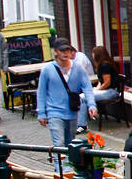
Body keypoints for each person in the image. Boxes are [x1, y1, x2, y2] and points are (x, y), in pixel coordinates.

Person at [36, 38, 96, 171]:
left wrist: (92, 105)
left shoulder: (78, 68)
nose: (65, 53)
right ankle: (62, 172)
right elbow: (41, 92)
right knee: (59, 143)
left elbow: (87, 87)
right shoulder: (48, 69)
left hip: (72, 111)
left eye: (68, 50)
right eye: (62, 50)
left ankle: (68, 169)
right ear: (55, 52)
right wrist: (41, 112)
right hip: (54, 112)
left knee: (71, 143)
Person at [69, 46, 94, 134]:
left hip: (89, 82)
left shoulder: (81, 57)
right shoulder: (72, 59)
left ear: (72, 52)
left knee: (78, 96)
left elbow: (78, 72)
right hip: (80, 83)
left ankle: (81, 124)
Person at [90, 46, 121, 115]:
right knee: (84, 96)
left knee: (83, 98)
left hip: (111, 91)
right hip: (108, 90)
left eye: (93, 53)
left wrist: (97, 90)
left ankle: (81, 123)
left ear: (97, 54)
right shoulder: (103, 65)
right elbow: (101, 81)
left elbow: (107, 83)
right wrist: (97, 88)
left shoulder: (105, 66)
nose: (92, 55)